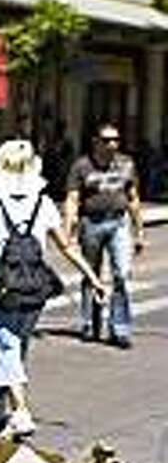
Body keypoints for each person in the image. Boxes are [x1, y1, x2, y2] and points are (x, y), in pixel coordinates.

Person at [0, 139, 107, 439]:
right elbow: (66, 246)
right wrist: (93, 277)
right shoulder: (44, 203)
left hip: (0, 288)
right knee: (15, 347)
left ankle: (20, 412)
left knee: (2, 346)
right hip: (36, 288)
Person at [63, 122, 145, 347]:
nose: (112, 144)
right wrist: (67, 232)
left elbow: (133, 197)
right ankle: (90, 324)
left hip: (119, 222)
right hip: (91, 223)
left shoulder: (126, 164)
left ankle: (120, 329)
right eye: (107, 140)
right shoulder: (81, 166)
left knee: (122, 275)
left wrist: (139, 231)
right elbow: (72, 199)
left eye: (116, 139)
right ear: (96, 142)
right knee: (91, 274)